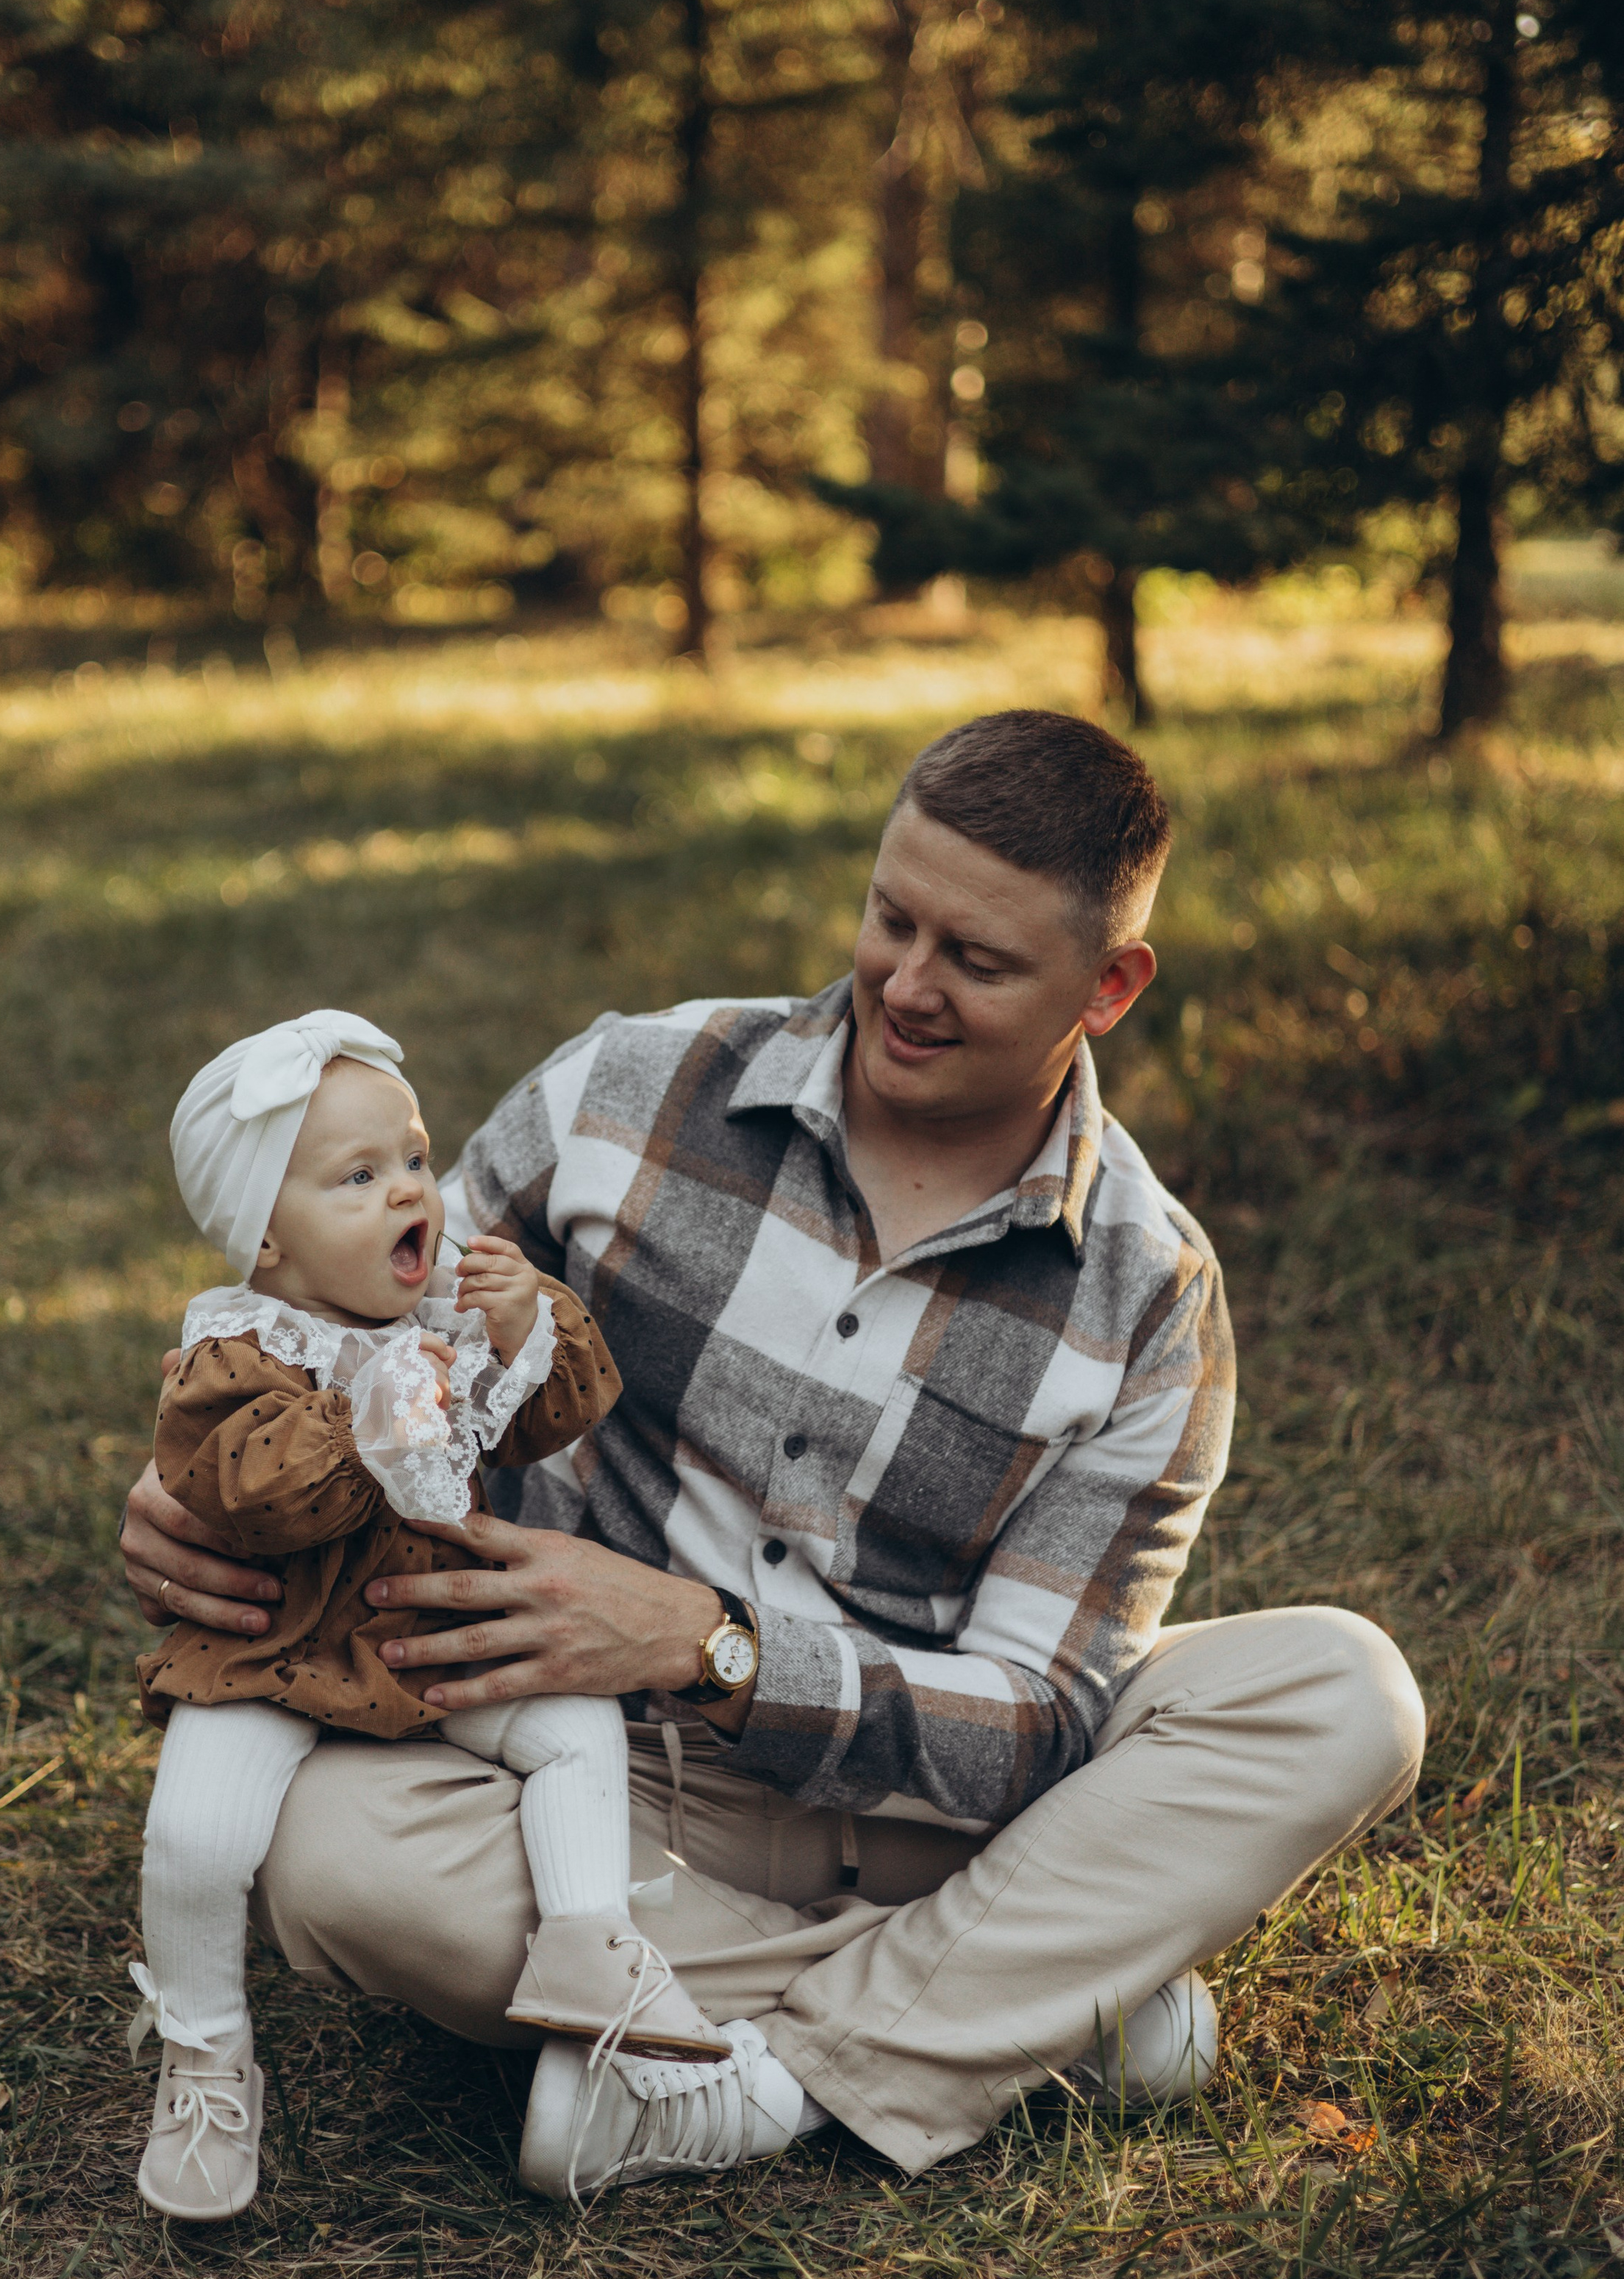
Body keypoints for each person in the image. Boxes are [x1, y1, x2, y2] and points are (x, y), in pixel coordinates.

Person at [120, 710, 1426, 2202]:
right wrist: (192, 1490)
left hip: (924, 1810)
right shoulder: (626, 1087)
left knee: (1338, 1693)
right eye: (890, 919)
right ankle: (1040, 2007)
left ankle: (772, 2081)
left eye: (976, 960)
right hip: (592, 1794)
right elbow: (352, 1336)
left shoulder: (1144, 1293)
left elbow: (1040, 1726)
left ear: (1108, 986)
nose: (905, 987)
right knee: (336, 1860)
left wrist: (711, 1647)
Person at [130, 1008, 723, 2222]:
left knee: (572, 1719)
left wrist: (524, 1328)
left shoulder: (444, 1323)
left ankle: (587, 1939)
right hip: (281, 1652)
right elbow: (245, 1490)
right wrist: (369, 1412)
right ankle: (203, 2054)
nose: (411, 1189)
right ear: (268, 1247)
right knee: (195, 1833)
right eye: (358, 1177)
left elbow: (547, 1417)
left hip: (431, 1640)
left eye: (411, 1155)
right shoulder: (240, 1350)